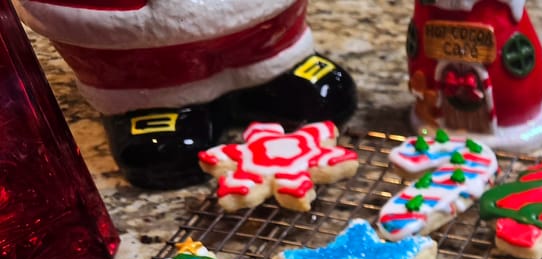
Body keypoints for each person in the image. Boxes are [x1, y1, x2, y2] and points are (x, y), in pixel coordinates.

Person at [16, 0, 357, 189]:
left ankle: (274, 72)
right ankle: (152, 105)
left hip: (269, 30)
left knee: (320, 93)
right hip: (136, 58)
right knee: (161, 150)